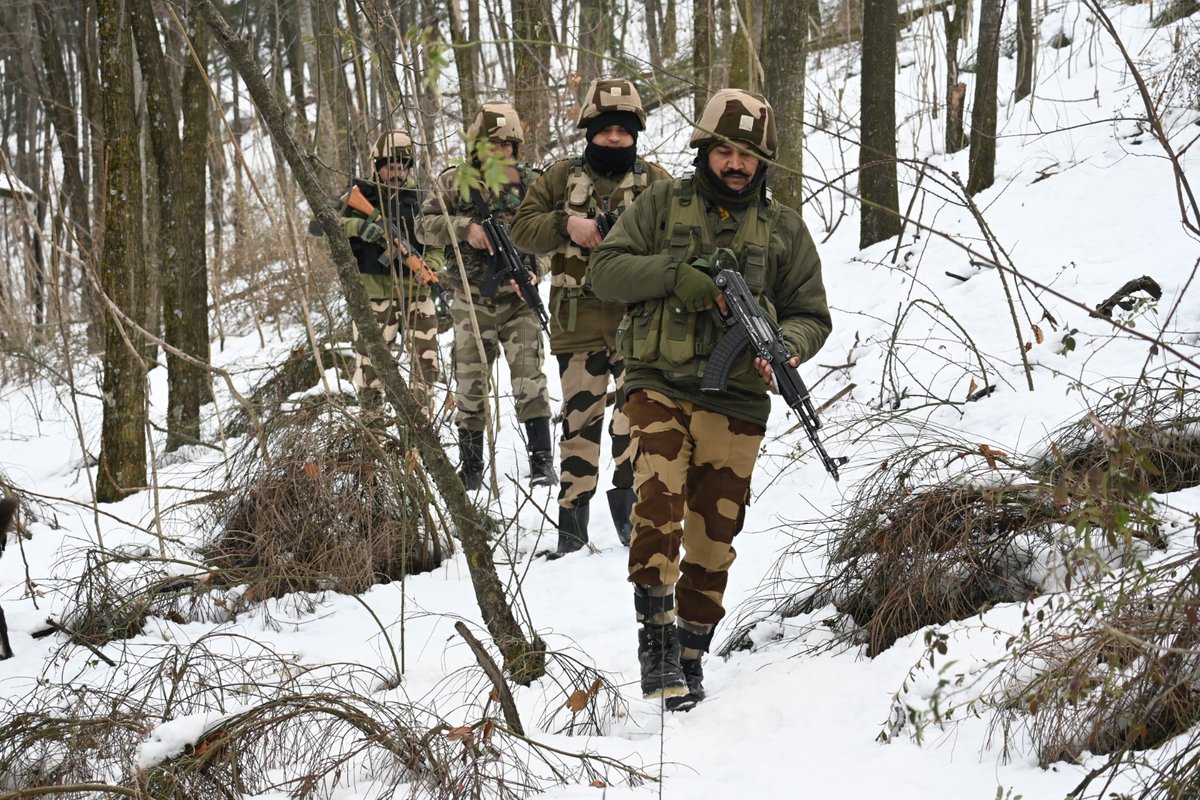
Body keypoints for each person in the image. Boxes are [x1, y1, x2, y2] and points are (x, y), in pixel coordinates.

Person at [589, 89, 832, 708]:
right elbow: (606, 272)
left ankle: (691, 650)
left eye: (747, 154)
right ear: (705, 150)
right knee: (658, 504)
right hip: (657, 383)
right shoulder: (661, 205)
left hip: (737, 400)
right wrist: (675, 276)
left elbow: (812, 313)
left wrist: (788, 346)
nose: (735, 163)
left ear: (763, 162)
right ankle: (657, 643)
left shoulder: (784, 229)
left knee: (712, 535)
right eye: (724, 149)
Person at [511, 78, 671, 558]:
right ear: (590, 131)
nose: (615, 138)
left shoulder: (656, 180)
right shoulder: (559, 178)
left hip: (637, 325)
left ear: (636, 132)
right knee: (579, 427)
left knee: (634, 423)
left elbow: (680, 238)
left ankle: (632, 518)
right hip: (577, 325)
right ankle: (571, 530)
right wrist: (567, 225)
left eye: (624, 130)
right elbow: (521, 228)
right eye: (606, 130)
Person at [417, 102, 556, 490]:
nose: (498, 152)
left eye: (506, 145)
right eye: (489, 145)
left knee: (531, 380)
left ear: (517, 146)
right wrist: (465, 229)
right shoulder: (454, 182)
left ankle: (542, 462)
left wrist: (536, 271)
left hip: (518, 302)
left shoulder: (533, 183)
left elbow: (550, 239)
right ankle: (472, 467)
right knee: (470, 383)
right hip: (470, 301)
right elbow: (422, 227)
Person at [325, 129, 444, 420]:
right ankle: (373, 432)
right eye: (391, 165)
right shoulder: (359, 194)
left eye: (404, 166)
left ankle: (421, 431)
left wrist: (430, 265)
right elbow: (320, 226)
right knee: (369, 370)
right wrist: (359, 228)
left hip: (417, 293)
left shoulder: (421, 199)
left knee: (427, 365)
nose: (397, 173)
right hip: (374, 294)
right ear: (377, 165)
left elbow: (439, 243)